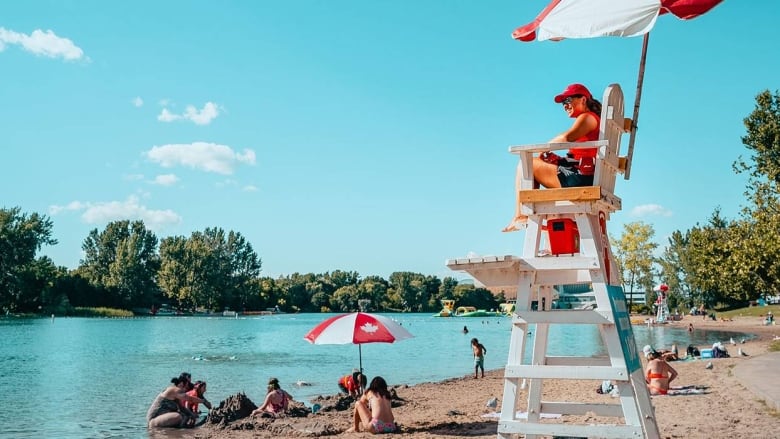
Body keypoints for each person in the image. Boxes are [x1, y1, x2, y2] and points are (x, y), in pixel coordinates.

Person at [503, 83, 603, 232]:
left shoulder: (587, 118)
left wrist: (544, 147)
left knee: (527, 163)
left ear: (583, 100)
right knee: (536, 164)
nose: (565, 106)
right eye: (563, 103)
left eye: (568, 101)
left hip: (582, 179)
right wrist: (556, 158)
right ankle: (538, 223)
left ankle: (521, 216)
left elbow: (567, 137)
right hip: (583, 174)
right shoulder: (591, 118)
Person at [146, 375, 211, 428]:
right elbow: (189, 399)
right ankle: (182, 429)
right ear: (181, 384)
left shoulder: (176, 395)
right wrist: (203, 401)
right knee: (178, 416)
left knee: (184, 415)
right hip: (153, 420)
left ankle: (181, 430)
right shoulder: (174, 389)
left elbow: (182, 408)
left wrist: (192, 416)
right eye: (186, 386)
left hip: (161, 418)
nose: (186, 389)